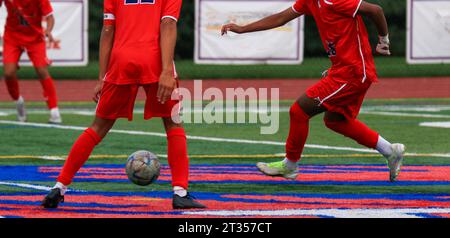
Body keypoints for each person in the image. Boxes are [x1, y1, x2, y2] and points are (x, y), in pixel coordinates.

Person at [42, 0, 206, 209]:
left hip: (121, 59)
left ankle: (59, 187)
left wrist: (102, 77)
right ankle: (180, 192)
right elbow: (168, 24)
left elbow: (108, 30)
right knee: (173, 124)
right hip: (154, 59)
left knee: (97, 127)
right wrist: (166, 71)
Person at [221, 0, 405, 182]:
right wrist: (242, 29)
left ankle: (290, 165)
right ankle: (390, 151)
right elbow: (281, 18)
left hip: (353, 73)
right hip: (344, 70)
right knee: (336, 121)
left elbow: (375, 9)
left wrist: (383, 40)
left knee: (299, 111)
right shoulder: (309, 1)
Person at [1, 0, 61, 123]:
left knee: (41, 70)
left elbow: (50, 17)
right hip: (12, 36)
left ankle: (54, 111)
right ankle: (19, 102)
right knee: (8, 73)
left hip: (35, 38)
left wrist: (48, 31)